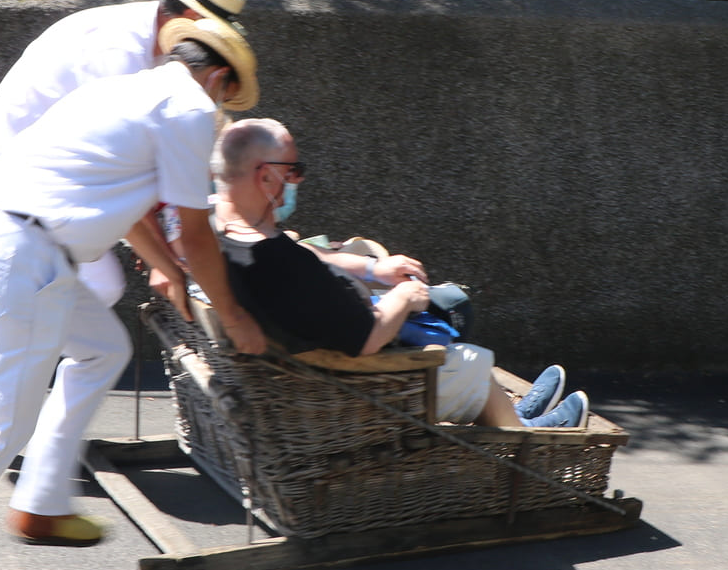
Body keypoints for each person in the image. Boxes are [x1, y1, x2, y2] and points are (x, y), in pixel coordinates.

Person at [0, 24, 268, 570]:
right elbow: (196, 229)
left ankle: (43, 502)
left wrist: (172, 275)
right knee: (0, 426)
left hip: (1, 237)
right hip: (30, 258)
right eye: (225, 101)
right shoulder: (186, 108)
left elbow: (130, 215)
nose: (219, 113)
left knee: (101, 348)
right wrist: (231, 314)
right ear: (217, 77)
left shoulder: (124, 93)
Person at [0, 0, 248, 497]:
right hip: (19, 173)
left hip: (34, 177)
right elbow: (115, 161)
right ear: (188, 18)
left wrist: (163, 246)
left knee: (17, 287)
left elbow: (128, 168)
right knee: (83, 283)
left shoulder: (155, 50)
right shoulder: (115, 50)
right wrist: (168, 254)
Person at [208, 118, 587, 431]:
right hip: (357, 386)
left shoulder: (221, 233)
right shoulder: (281, 261)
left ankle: (516, 413)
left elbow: (299, 252)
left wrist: (373, 269)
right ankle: (525, 434)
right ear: (266, 177)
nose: (298, 181)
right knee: (470, 362)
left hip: (305, 365)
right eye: (294, 170)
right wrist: (404, 298)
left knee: (440, 325)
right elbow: (367, 340)